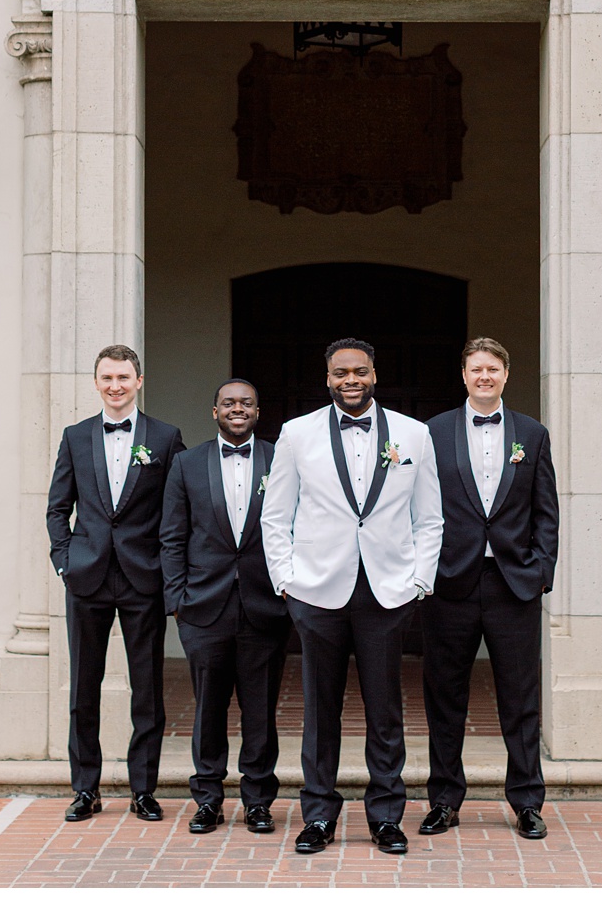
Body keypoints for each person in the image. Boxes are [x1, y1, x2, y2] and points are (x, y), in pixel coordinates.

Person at [261, 338, 443, 856]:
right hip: (317, 590)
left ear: (374, 374)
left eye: (359, 371)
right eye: (341, 372)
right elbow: (276, 515)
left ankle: (387, 815)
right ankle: (318, 814)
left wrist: (419, 582)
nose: (350, 380)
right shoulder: (297, 434)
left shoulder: (414, 434)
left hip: (387, 591)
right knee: (319, 710)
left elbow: (429, 518)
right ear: (327, 378)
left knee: (385, 709)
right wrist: (287, 581)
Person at [419, 338, 559, 842]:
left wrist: (541, 570)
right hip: (449, 583)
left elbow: (546, 510)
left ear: (506, 374)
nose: (484, 377)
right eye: (476, 369)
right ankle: (443, 800)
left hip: (512, 584)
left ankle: (526, 802)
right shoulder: (432, 432)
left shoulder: (531, 433)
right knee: (444, 696)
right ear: (463, 375)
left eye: (493, 369)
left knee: (519, 699)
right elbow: (419, 506)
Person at [45, 345, 184, 824]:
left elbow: (177, 511)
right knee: (84, 689)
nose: (115, 385)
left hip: (143, 579)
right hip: (87, 579)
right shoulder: (76, 436)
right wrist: (65, 561)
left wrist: (170, 573)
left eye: (124, 377)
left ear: (139, 381)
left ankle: (143, 790)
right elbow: (57, 507)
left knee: (147, 691)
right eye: (107, 377)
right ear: (97, 382)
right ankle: (85, 789)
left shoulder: (165, 439)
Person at [159, 377, 289, 835]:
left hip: (265, 608)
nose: (238, 409)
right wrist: (176, 599)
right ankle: (208, 798)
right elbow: (172, 537)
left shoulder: (281, 459)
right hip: (203, 609)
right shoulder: (186, 464)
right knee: (208, 710)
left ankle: (257, 800)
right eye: (229, 403)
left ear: (258, 411)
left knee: (261, 711)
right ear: (214, 411)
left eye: (246, 403)